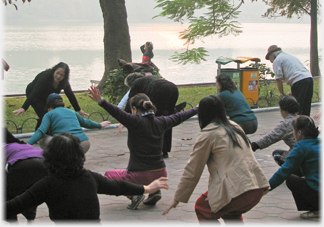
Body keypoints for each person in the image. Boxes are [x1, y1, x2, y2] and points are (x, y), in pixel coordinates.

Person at [5, 133, 169, 222]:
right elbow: (116, 187)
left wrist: (145, 188)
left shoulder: (47, 185)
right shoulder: (89, 177)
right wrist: (146, 188)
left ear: (49, 157)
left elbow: (14, 205)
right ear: (78, 155)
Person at [88, 85, 198, 210]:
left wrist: (101, 101)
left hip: (139, 176)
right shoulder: (161, 122)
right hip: (161, 172)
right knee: (147, 176)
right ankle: (154, 191)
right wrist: (196, 109)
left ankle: (134, 194)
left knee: (109, 175)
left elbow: (117, 112)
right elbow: (179, 117)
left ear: (134, 109)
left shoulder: (134, 121)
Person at [162, 95, 269, 223]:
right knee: (231, 214)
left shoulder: (208, 134)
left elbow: (193, 170)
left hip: (238, 190)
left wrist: (177, 198)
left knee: (202, 207)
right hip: (256, 186)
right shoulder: (235, 126)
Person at [267, 115, 320, 220]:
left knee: (291, 179)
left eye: (293, 131)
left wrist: (266, 188)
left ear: (299, 132)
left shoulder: (301, 147)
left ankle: (316, 209)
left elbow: (283, 172)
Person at [117, 73, 180, 158]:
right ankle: (165, 150)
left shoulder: (136, 84)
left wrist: (124, 119)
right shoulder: (147, 80)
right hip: (173, 88)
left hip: (158, 91)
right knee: (166, 120)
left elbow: (131, 102)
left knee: (156, 122)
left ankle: (156, 150)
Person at [13, 62, 89, 129]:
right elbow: (34, 92)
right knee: (44, 114)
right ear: (54, 71)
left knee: (51, 113)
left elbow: (70, 95)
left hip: (47, 96)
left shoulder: (64, 82)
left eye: (62, 75)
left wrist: (78, 110)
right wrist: (24, 108)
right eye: (57, 73)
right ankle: (40, 134)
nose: (59, 76)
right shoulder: (45, 77)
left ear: (65, 76)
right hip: (34, 93)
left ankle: (41, 132)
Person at [26, 94, 110, 153]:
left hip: (64, 145)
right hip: (84, 144)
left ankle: (53, 159)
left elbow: (40, 132)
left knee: (42, 139)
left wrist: (26, 145)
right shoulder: (71, 112)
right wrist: (99, 125)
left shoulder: (49, 114)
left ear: (48, 106)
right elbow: (85, 123)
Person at [4, 128, 48, 222]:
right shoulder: (21, 144)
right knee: (32, 191)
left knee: (6, 195)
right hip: (45, 163)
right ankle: (30, 220)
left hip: (22, 164)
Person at [265, 45, 313, 116]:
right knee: (306, 107)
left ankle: (297, 125)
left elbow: (278, 79)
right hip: (308, 78)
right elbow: (296, 73)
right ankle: (307, 124)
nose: (270, 61)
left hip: (299, 81)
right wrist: (293, 91)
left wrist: (282, 94)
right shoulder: (289, 57)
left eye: (270, 58)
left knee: (297, 108)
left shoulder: (277, 60)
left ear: (272, 55)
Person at [251, 95, 299, 166]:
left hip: (299, 154)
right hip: (314, 152)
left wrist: (254, 145)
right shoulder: (304, 119)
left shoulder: (286, 124)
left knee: (277, 154)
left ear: (283, 110)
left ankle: (291, 173)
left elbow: (270, 138)